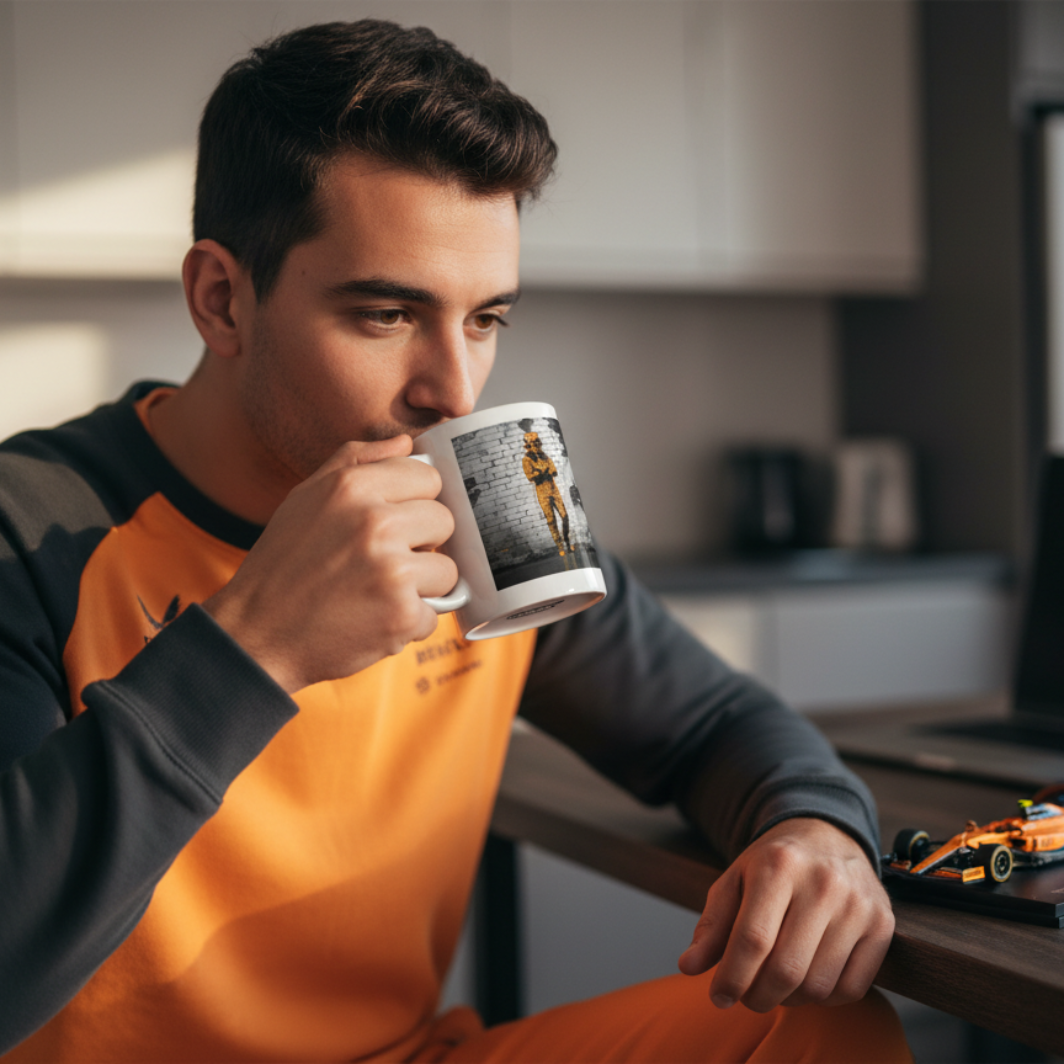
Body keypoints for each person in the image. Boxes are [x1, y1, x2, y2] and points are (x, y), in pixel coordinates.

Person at [0, 19, 911, 1063]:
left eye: (485, 319)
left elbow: (706, 719)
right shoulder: (24, 529)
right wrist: (252, 648)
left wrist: (814, 826)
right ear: (221, 298)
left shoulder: (488, 509)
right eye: (387, 313)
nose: (452, 390)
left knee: (820, 1025)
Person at [521, 431, 574, 556]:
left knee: (564, 516)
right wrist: (542, 473)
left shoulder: (546, 457)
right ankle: (560, 546)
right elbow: (531, 476)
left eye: (537, 442)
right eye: (533, 443)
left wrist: (541, 472)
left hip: (553, 490)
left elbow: (554, 471)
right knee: (551, 520)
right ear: (528, 445)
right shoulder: (526, 460)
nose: (536, 445)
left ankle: (567, 541)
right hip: (542, 493)